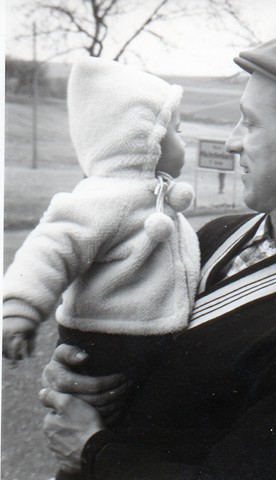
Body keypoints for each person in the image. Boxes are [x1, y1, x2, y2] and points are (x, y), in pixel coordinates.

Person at [39, 35, 276, 480]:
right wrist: (81, 370)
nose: (231, 143)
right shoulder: (217, 235)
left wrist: (93, 451)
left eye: (250, 123)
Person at [2, 57, 200, 477]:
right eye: (177, 131)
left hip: (146, 337)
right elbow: (51, 246)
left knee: (135, 426)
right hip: (105, 338)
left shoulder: (158, 197)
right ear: (144, 137)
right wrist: (20, 308)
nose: (185, 143)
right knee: (95, 418)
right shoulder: (103, 198)